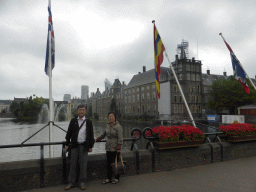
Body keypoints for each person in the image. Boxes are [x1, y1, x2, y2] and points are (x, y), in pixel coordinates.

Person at [64, 104, 94, 190]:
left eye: (83, 110)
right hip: (74, 146)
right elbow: (68, 134)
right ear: (77, 111)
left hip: (84, 146)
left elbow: (91, 134)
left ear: (85, 111)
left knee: (83, 165)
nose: (81, 111)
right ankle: (71, 182)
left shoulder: (88, 122)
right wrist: (66, 144)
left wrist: (91, 146)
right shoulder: (73, 121)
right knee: (73, 164)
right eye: (80, 110)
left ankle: (82, 182)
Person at [95, 111, 123, 184]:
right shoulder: (107, 125)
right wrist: (98, 139)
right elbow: (104, 134)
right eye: (109, 117)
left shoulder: (118, 126)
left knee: (116, 163)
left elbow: (120, 138)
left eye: (112, 116)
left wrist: (119, 147)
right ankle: (108, 178)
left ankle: (116, 178)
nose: (110, 118)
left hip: (115, 147)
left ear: (115, 118)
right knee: (108, 163)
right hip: (108, 147)